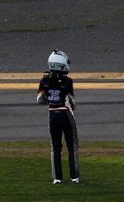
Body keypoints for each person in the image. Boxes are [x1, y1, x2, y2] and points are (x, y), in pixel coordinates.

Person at [36, 49, 80, 185]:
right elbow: (72, 101)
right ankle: (74, 177)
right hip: (65, 114)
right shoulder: (68, 81)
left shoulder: (44, 81)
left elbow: (39, 100)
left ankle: (57, 178)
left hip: (52, 114)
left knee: (55, 147)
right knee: (72, 145)